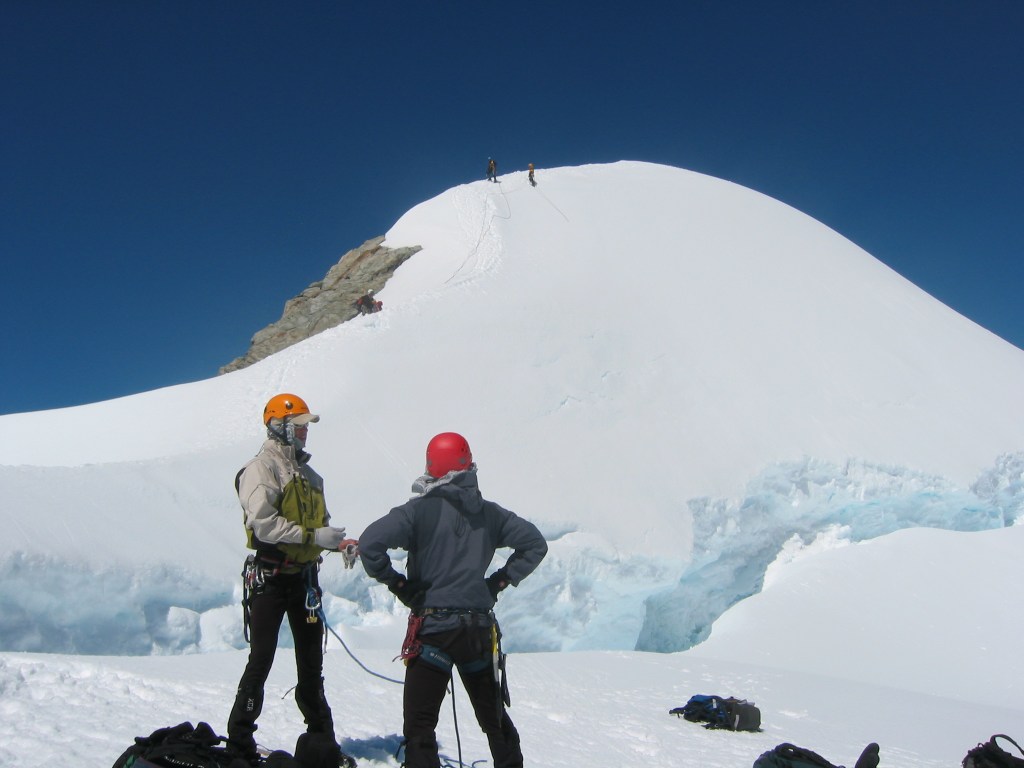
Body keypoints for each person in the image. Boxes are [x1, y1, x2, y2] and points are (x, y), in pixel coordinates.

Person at [359, 432, 548, 768]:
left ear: (433, 466)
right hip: (476, 630)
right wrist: (499, 582)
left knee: (420, 726)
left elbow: (371, 543)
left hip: (433, 629)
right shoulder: (490, 514)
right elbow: (534, 544)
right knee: (494, 720)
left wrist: (399, 584)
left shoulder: (417, 512)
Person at [227, 393, 352, 763]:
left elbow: (320, 526)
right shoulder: (261, 469)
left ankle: (322, 743)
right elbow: (263, 524)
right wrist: (316, 538)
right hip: (271, 579)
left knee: (311, 663)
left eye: (305, 427)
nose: (304, 433)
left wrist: (337, 543)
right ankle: (239, 744)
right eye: (299, 426)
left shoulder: (311, 476)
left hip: (304, 581)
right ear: (279, 426)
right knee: (261, 659)